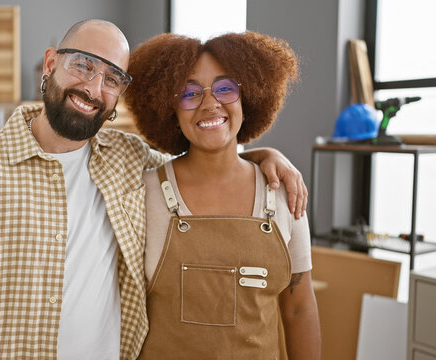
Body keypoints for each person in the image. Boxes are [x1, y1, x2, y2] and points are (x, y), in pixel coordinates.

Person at [0, 20, 309, 360]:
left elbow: (206, 159)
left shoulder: (129, 159)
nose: (93, 88)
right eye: (83, 65)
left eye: (112, 79)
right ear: (50, 64)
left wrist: (263, 156)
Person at [124, 32, 321, 359]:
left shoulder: (284, 192)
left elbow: (300, 309)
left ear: (251, 97)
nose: (210, 103)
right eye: (189, 93)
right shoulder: (141, 193)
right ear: (169, 108)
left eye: (225, 88)